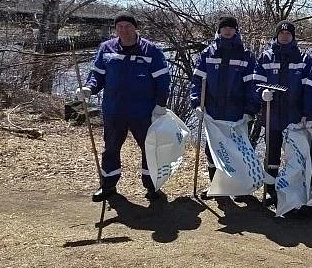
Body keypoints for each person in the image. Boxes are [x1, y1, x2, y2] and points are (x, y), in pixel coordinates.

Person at [78, 12, 170, 202]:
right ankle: (108, 185)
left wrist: (160, 105)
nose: (124, 30)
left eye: (127, 26)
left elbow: (163, 81)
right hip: (114, 109)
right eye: (119, 27)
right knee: (111, 148)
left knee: (149, 148)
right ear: (115, 29)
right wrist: (89, 88)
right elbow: (98, 75)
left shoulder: (151, 50)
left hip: (143, 111)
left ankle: (152, 186)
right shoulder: (106, 48)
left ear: (135, 27)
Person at [189, 16, 261, 189]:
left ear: (236, 30)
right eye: (224, 27)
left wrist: (250, 110)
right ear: (219, 30)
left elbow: (252, 85)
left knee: (235, 151)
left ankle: (236, 186)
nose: (227, 30)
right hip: (212, 112)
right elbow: (197, 81)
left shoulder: (245, 55)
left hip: (236, 114)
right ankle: (216, 186)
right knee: (212, 151)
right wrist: (197, 102)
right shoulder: (208, 53)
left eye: (231, 27)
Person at [256, 20, 311, 209]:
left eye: (288, 34)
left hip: (294, 117)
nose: (285, 36)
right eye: (282, 33)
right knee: (271, 155)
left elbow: (308, 90)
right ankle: (270, 189)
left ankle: (293, 191)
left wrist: (306, 113)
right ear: (277, 35)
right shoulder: (266, 57)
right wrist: (262, 95)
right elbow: (256, 83)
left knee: (295, 156)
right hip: (272, 115)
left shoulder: (303, 58)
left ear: (293, 37)